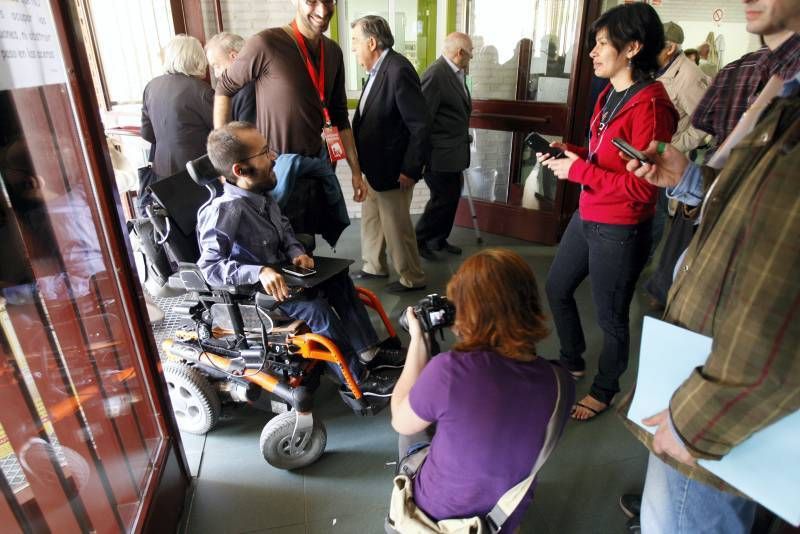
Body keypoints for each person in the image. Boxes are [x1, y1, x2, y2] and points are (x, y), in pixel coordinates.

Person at [617, 2, 800, 530]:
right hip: (705, 372)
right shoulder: (780, 79)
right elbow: (750, 208)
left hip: (719, 404)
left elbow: (783, 320)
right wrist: (688, 179)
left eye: (603, 42)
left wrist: (696, 422)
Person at [539, 2, 677, 421]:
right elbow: (607, 157)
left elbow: (642, 186)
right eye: (594, 44)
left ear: (632, 47)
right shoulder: (610, 94)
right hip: (589, 214)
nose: (593, 53)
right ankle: (572, 359)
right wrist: (574, 153)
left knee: (612, 318)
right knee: (557, 288)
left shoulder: (652, 106)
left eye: (602, 44)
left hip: (620, 227)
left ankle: (604, 388)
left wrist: (580, 169)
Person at [197, 122, 404, 395]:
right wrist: (257, 272)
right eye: (265, 152)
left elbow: (285, 229)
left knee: (340, 279)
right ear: (240, 170)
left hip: (285, 275)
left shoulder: (262, 194)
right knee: (317, 310)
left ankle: (367, 351)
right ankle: (357, 378)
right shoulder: (224, 212)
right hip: (258, 295)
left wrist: (296, 252)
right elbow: (210, 268)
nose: (274, 158)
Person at [389, 248, 574, 532]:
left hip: (438, 514)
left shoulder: (449, 371)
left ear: (471, 314)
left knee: (409, 435)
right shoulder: (560, 381)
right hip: (503, 515)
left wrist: (417, 342)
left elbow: (400, 418)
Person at [212, 0, 366, 204]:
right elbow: (224, 88)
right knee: (276, 234)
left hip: (314, 168)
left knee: (308, 235)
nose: (322, 10)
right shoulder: (266, 43)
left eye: (328, 1)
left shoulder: (333, 52)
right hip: (274, 173)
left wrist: (356, 172)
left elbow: (339, 116)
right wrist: (225, 159)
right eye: (312, 1)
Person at [350, 16, 429, 293]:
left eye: (356, 42)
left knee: (397, 227)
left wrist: (410, 168)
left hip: (394, 169)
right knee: (372, 220)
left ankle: (412, 277)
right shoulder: (376, 71)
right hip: (375, 167)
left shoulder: (398, 70)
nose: (353, 48)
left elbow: (420, 125)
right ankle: (374, 266)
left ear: (372, 42)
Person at [414, 32, 473, 261]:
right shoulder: (436, 74)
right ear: (460, 53)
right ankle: (420, 240)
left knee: (451, 196)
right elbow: (423, 118)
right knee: (441, 199)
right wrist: (421, 157)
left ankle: (438, 239)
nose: (471, 57)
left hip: (453, 153)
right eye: (470, 53)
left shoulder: (455, 72)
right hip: (439, 154)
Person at [141, 34, 214, 179]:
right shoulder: (202, 91)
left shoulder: (151, 86)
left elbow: (147, 133)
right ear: (196, 58)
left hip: (161, 170)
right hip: (198, 171)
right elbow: (222, 132)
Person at [205, 32, 255, 125]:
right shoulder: (241, 88)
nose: (216, 74)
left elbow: (245, 138)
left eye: (217, 66)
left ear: (234, 57)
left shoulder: (248, 92)